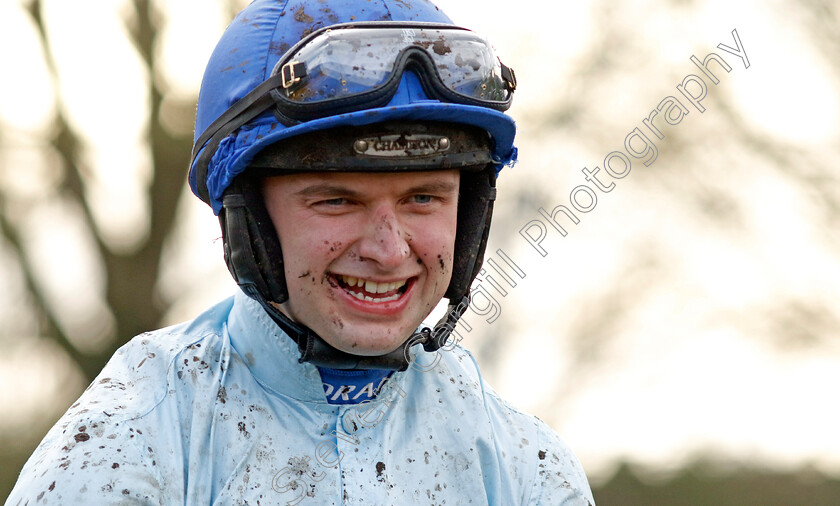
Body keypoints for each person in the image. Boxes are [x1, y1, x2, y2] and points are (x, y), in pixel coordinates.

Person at [6, 0, 595, 504]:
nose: (389, 251)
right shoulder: (123, 447)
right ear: (250, 224)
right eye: (337, 201)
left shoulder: (527, 470)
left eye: (423, 198)